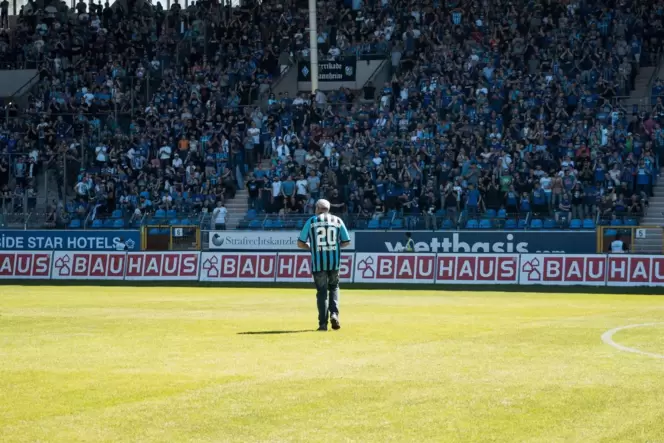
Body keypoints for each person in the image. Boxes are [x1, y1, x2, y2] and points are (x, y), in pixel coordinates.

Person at [297, 199, 352, 331]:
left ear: (317, 208)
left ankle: (323, 324)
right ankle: (334, 314)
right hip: (334, 263)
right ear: (328, 208)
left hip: (318, 263)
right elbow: (346, 241)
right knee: (334, 288)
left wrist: (311, 246)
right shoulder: (337, 221)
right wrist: (334, 246)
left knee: (321, 292)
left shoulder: (311, 221)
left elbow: (300, 243)